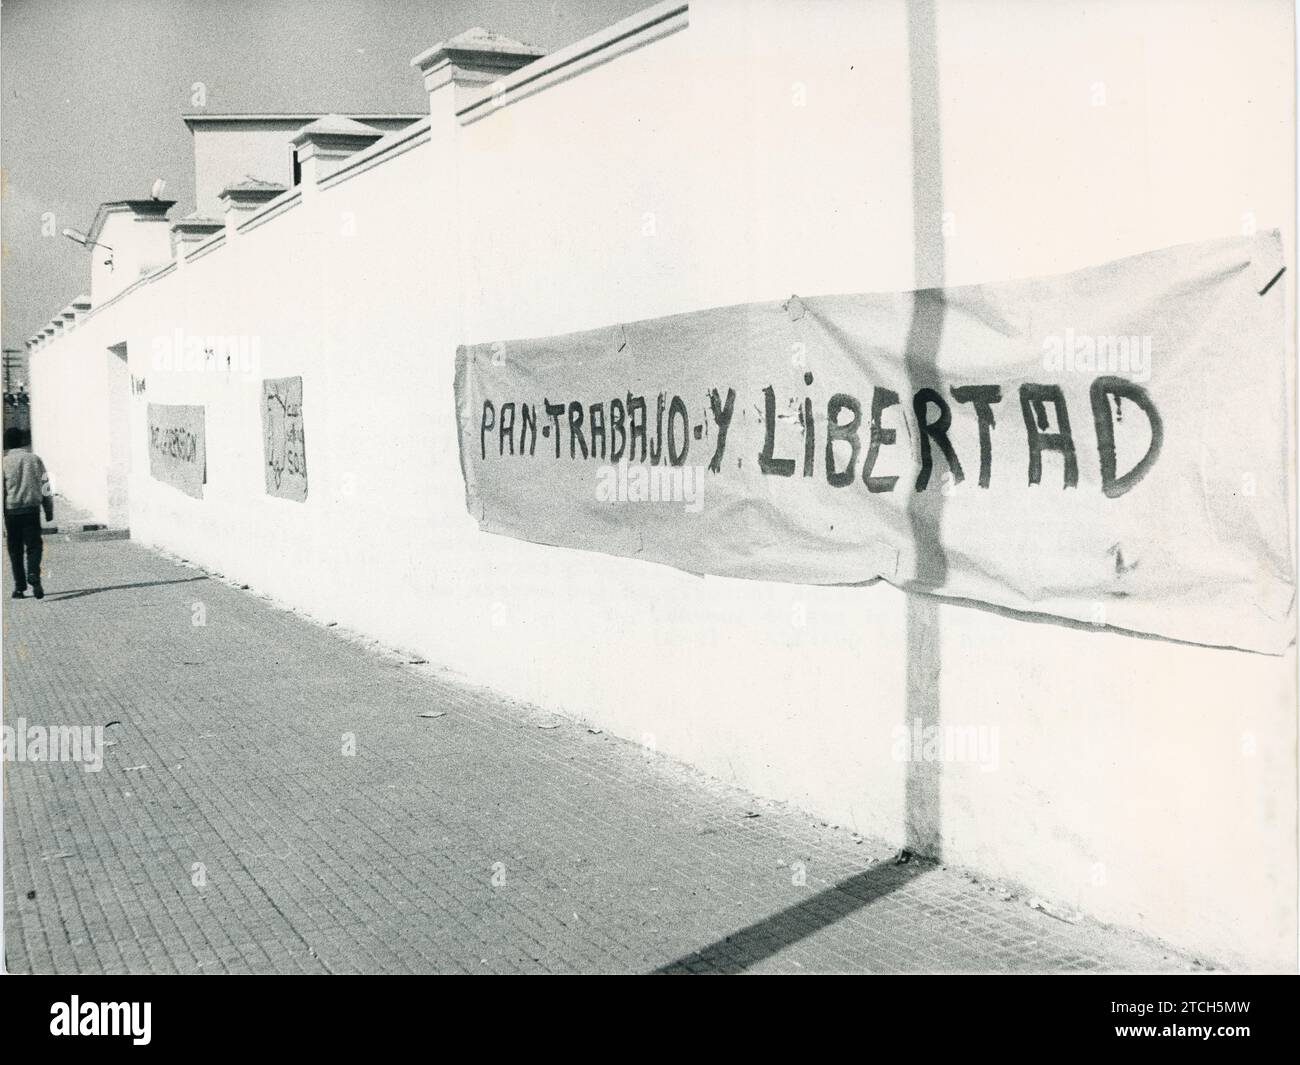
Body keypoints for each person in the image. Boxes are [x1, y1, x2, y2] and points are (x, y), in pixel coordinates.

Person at [3, 427, 53, 599]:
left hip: (12, 512)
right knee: (34, 546)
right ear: (23, 441)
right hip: (31, 510)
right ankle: (33, 574)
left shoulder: (4, 463)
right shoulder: (35, 459)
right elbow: (46, 485)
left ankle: (19, 587)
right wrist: (48, 510)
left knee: (15, 550)